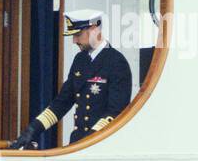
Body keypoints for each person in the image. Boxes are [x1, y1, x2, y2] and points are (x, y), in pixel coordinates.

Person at [8, 9, 132, 150]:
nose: (74, 41)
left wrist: (89, 140)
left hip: (101, 144)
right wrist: (31, 131)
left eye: (78, 35)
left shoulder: (116, 62)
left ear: (94, 29)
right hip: (78, 142)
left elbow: (116, 112)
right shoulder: (80, 60)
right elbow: (62, 102)